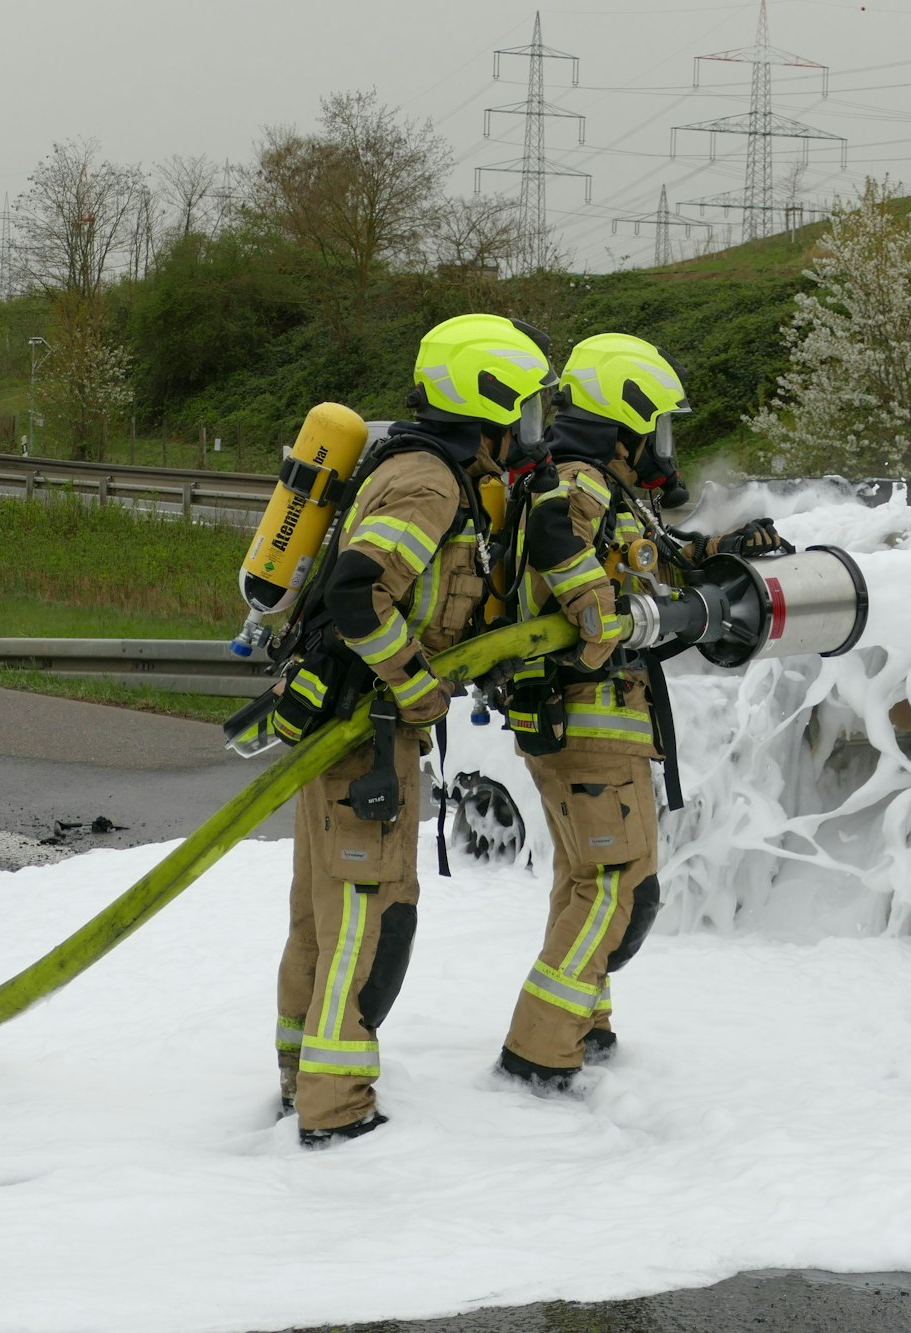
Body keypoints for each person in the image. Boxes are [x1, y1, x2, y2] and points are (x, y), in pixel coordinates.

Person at [274, 313, 556, 1147]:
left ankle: (301, 1081)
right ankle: (336, 1110)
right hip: (366, 735)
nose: (527, 431)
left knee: (320, 921)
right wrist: (416, 680)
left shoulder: (423, 467)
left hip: (348, 727)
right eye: (522, 411)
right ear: (487, 402)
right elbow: (359, 592)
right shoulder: (432, 483)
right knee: (370, 920)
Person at [494, 332, 785, 1092]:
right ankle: (539, 1052)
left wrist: (725, 547)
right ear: (626, 422)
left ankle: (585, 1028)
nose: (665, 444)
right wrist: (661, 618)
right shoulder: (579, 488)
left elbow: (652, 560)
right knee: (617, 887)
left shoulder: (600, 491)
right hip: (589, 718)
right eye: (658, 424)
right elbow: (587, 597)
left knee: (587, 879)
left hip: (587, 721)